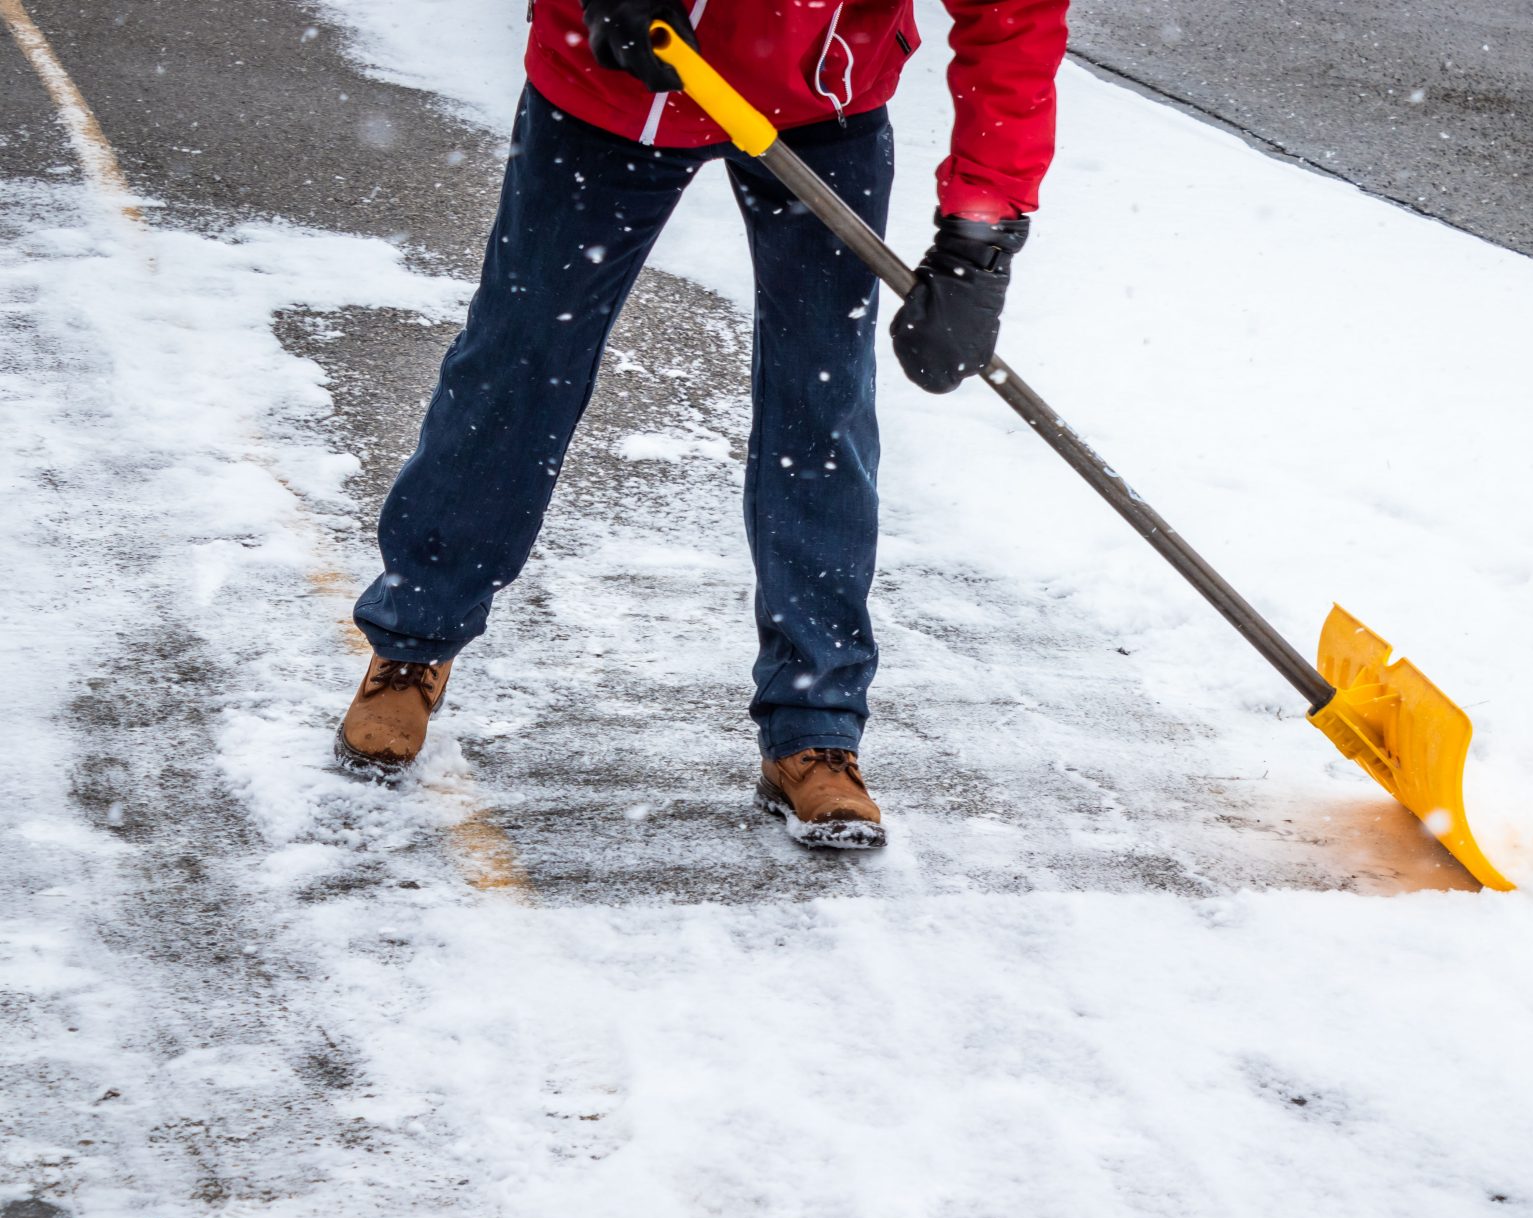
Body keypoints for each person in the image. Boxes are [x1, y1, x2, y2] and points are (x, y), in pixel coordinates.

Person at [335, 0, 1068, 849]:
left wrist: (982, 238)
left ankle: (814, 723)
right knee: (521, 360)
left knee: (820, 400)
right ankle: (415, 638)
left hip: (823, 95)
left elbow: (1013, 20)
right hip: (618, 72)